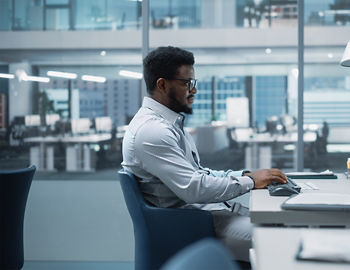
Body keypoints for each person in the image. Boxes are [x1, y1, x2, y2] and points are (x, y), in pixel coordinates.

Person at [121, 46, 288, 262]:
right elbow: (194, 188)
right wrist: (249, 181)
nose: (194, 90)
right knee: (284, 240)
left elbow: (199, 174)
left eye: (194, 83)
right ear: (162, 84)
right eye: (186, 83)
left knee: (282, 223)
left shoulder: (169, 124)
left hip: (208, 214)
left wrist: (246, 174)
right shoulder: (152, 132)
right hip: (194, 225)